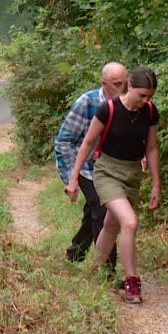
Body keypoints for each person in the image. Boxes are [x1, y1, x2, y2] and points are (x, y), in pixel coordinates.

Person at [65, 66, 160, 304]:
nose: (145, 100)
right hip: (106, 172)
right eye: (142, 95)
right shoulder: (107, 109)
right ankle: (132, 282)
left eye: (150, 96)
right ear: (130, 87)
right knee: (130, 222)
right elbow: (87, 144)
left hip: (132, 175)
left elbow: (151, 148)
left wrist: (156, 184)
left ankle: (95, 273)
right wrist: (74, 178)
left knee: (110, 225)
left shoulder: (149, 112)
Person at [54, 62, 127, 271]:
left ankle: (75, 253)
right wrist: (71, 178)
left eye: (125, 82)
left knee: (93, 211)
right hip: (84, 167)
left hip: (110, 169)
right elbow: (63, 141)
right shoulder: (87, 103)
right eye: (117, 84)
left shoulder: (128, 103)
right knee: (102, 210)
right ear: (105, 84)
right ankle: (107, 271)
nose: (123, 89)